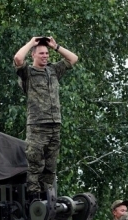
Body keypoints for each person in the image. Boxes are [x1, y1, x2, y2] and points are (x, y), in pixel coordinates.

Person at [13, 36, 79, 199]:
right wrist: (31, 43)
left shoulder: (53, 70)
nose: (45, 56)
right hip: (37, 125)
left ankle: (47, 196)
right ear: (33, 55)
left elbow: (73, 58)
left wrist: (56, 47)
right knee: (35, 164)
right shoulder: (28, 72)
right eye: (41, 53)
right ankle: (34, 198)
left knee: (50, 166)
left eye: (47, 54)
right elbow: (18, 58)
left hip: (54, 124)